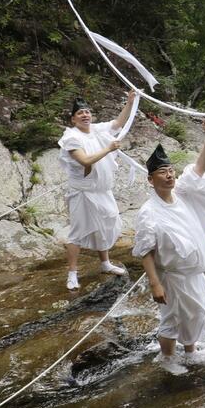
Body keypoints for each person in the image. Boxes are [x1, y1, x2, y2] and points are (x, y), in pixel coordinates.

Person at [132, 119, 205, 367]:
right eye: (163, 172)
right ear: (151, 179)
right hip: (172, 276)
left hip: (193, 274)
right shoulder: (148, 212)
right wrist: (155, 284)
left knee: (196, 312)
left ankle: (191, 351)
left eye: (170, 170)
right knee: (172, 318)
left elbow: (199, 170)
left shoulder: (180, 193)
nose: (169, 175)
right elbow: (145, 251)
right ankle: (168, 359)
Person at [58, 91, 136, 290]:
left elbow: (118, 123)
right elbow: (84, 160)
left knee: (106, 223)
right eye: (80, 113)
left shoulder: (97, 129)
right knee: (78, 231)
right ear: (73, 119)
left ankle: (105, 263)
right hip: (83, 192)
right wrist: (108, 149)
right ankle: (73, 274)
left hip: (102, 190)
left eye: (87, 112)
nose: (85, 115)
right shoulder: (71, 138)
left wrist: (129, 102)